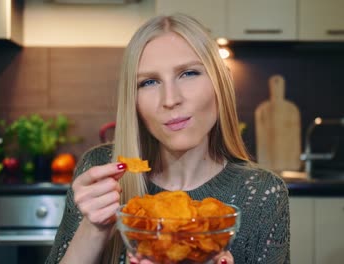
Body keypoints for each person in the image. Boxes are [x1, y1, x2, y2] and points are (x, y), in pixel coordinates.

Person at [46, 13, 290, 264]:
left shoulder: (262, 193)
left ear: (220, 83)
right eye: (149, 82)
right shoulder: (102, 174)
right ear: (134, 100)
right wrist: (94, 228)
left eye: (188, 73)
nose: (170, 99)